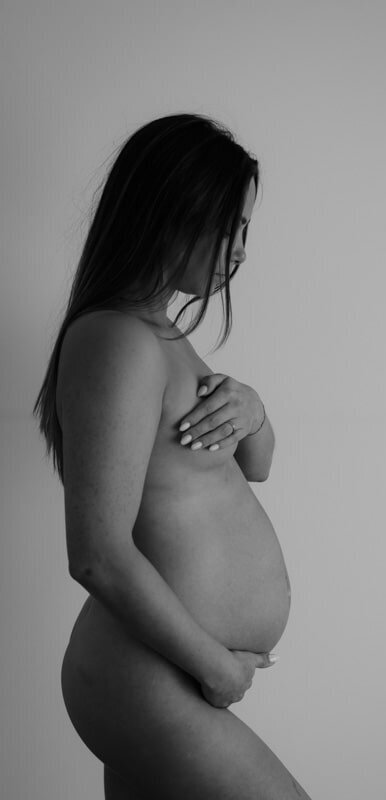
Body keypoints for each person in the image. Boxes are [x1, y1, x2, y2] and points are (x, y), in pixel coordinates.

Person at [33, 114, 312, 799]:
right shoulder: (118, 340)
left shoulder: (164, 339)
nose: (240, 250)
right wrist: (215, 668)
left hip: (164, 668)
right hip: (149, 672)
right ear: (171, 211)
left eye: (245, 230)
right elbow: (96, 552)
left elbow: (256, 465)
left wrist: (256, 411)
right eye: (228, 226)